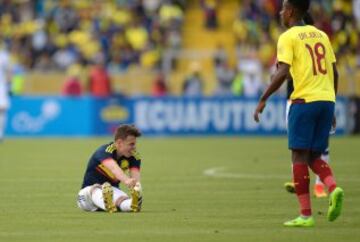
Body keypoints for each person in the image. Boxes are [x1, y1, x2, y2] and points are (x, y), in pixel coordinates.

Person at [253, 0, 344, 227]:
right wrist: (331, 102)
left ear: (291, 11)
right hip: (325, 100)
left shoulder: (288, 37)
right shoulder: (321, 35)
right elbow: (335, 72)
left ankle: (305, 215)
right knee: (314, 155)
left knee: (299, 156)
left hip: (303, 101)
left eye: (283, 8)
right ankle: (333, 188)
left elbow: (283, 71)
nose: (282, 13)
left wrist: (264, 98)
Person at [283, 12, 332, 198]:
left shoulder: (298, 41)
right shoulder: (293, 40)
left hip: (307, 100)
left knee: (316, 149)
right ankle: (302, 181)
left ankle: (319, 186)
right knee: (298, 146)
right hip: (298, 100)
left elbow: (286, 73)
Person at [77, 124, 143, 213]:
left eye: (134, 144)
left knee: (123, 199)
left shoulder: (134, 156)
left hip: (111, 190)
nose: (134, 147)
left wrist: (136, 189)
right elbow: (113, 168)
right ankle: (108, 203)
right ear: (119, 143)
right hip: (86, 196)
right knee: (96, 189)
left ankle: (130, 205)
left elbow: (135, 179)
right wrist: (127, 180)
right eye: (131, 144)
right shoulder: (105, 151)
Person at [0, 43, 12, 142]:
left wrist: (9, 85)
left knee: (2, 110)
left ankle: (1, 133)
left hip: (1, 87)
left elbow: (9, 71)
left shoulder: (3, 56)